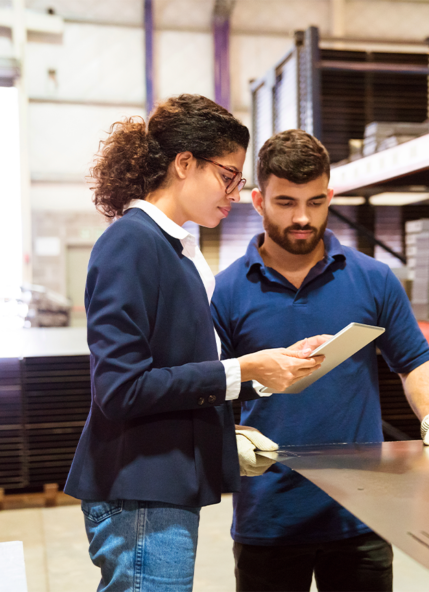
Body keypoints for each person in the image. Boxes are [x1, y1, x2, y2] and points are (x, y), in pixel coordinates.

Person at [64, 96, 325, 592]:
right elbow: (121, 389)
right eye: (228, 175)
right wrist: (244, 369)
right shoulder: (131, 243)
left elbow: (184, 369)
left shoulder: (178, 251)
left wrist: (273, 370)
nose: (234, 192)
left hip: (161, 487)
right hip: (141, 490)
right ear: (184, 163)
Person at [211, 129, 429, 592]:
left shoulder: (373, 279)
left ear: (330, 196)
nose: (302, 217)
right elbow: (210, 387)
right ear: (258, 200)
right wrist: (230, 436)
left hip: (360, 513)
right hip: (270, 517)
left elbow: (415, 360)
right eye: (285, 203)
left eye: (316, 201)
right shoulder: (226, 291)